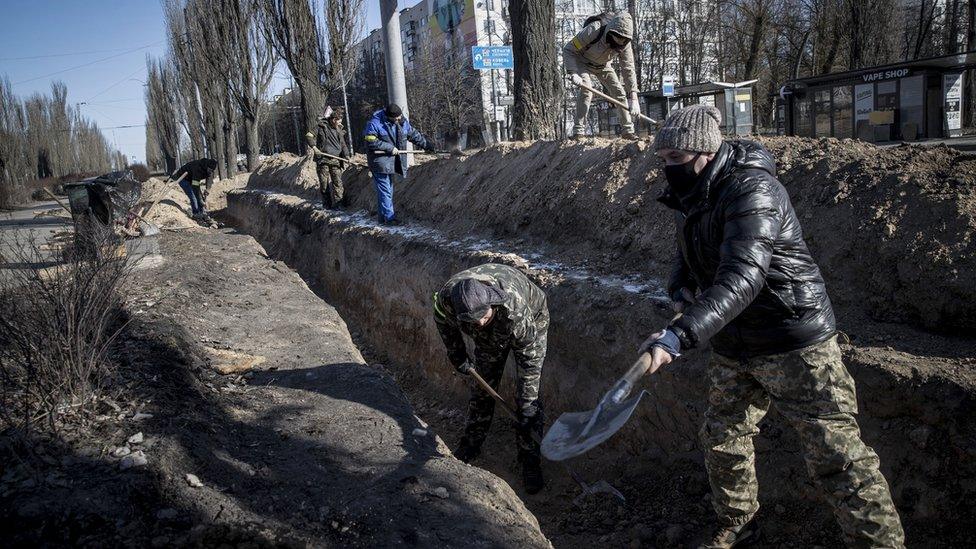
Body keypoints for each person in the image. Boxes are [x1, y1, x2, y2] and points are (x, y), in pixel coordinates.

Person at [639, 105, 905, 548]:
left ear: (706, 152)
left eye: (676, 159)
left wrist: (679, 335)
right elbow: (691, 250)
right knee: (722, 437)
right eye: (663, 159)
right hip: (733, 340)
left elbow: (743, 276)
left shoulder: (753, 191)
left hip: (792, 338)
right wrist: (679, 284)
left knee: (837, 456)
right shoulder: (695, 192)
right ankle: (738, 525)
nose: (668, 169)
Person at [432, 263, 548, 494]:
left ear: (491, 304)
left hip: (532, 318)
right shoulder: (448, 300)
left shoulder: (513, 311)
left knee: (527, 405)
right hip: (487, 337)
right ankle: (472, 443)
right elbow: (443, 321)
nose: (480, 323)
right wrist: (456, 353)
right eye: (473, 322)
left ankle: (529, 460)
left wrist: (527, 407)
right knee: (482, 389)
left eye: (483, 317)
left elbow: (530, 361)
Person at [562, 10, 640, 139]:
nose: (619, 43)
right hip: (582, 62)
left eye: (623, 40)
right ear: (611, 31)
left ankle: (628, 131)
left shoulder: (625, 43)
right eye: (617, 38)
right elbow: (569, 49)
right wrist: (573, 72)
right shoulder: (594, 29)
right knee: (587, 90)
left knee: (619, 92)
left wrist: (634, 96)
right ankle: (579, 132)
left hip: (603, 66)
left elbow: (628, 68)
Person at [363, 103, 435, 225]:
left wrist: (427, 145)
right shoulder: (375, 123)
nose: (398, 120)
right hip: (379, 161)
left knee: (387, 191)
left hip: (391, 161)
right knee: (385, 190)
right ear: (389, 117)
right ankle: (390, 218)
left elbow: (412, 134)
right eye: (396, 119)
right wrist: (388, 147)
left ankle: (383, 218)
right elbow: (370, 140)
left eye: (399, 117)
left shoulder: (401, 121)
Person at [305, 106, 350, 210]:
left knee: (337, 182)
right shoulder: (321, 126)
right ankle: (327, 205)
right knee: (324, 184)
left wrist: (347, 156)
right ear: (334, 120)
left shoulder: (339, 130)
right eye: (338, 121)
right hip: (323, 159)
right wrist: (314, 148)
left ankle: (339, 204)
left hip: (336, 160)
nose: (340, 124)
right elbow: (308, 135)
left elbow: (343, 145)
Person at [172, 158, 217, 225]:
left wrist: (208, 189)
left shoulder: (209, 170)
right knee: (193, 196)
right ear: (207, 167)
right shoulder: (198, 168)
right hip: (183, 178)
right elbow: (195, 187)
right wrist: (201, 199)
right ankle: (196, 214)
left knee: (199, 197)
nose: (211, 172)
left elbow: (209, 178)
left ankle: (202, 213)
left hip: (191, 178)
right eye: (210, 170)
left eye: (212, 170)